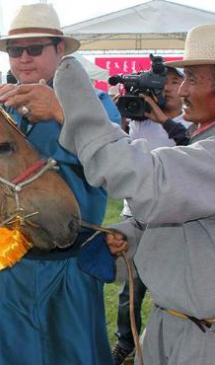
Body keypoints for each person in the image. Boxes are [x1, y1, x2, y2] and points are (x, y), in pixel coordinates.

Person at [54, 23, 215, 365]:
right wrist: (132, 236)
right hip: (173, 325)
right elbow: (190, 228)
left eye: (192, 79)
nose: (180, 90)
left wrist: (72, 106)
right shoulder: (202, 141)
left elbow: (143, 179)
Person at [0, 4, 120, 364]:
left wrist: (63, 112)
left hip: (70, 269)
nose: (24, 58)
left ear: (60, 50)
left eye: (35, 48)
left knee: (74, 354)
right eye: (16, 50)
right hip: (10, 267)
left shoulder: (96, 106)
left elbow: (115, 162)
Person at [112, 65, 190, 365]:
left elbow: (189, 149)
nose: (169, 87)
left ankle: (168, 342)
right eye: (165, 81)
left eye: (175, 80)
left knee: (169, 290)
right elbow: (125, 153)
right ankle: (125, 343)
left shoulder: (189, 122)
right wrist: (120, 117)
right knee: (130, 290)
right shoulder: (139, 117)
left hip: (175, 220)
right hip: (137, 217)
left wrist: (164, 120)